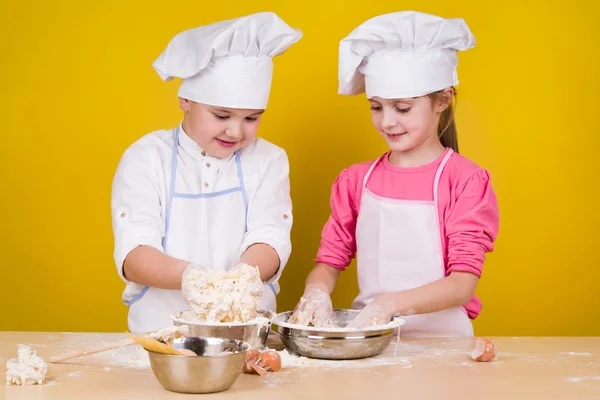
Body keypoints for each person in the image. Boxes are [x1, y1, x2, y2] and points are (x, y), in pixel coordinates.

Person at [290, 11, 499, 336]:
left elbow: (462, 285)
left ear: (442, 100)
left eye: (402, 108)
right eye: (376, 107)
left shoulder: (465, 181)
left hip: (444, 348)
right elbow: (329, 262)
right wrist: (315, 292)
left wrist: (386, 305)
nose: (387, 121)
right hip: (373, 341)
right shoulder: (356, 181)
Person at [110, 12, 302, 333]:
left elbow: (269, 236)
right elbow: (134, 253)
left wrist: (236, 282)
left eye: (252, 118)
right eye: (222, 115)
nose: (235, 131)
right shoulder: (145, 158)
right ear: (186, 99)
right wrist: (197, 279)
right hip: (161, 335)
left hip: (245, 334)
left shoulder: (268, 160)